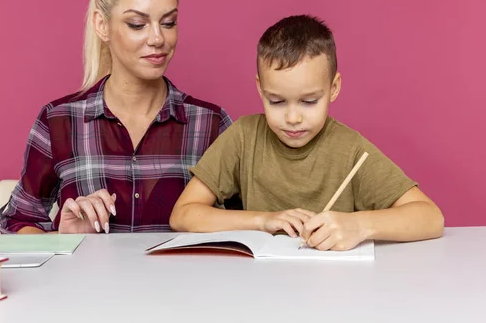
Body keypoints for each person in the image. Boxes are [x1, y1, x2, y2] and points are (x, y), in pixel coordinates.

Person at [0, 0, 232, 234]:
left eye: (168, 23)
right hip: (85, 279)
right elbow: (18, 222)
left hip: (185, 279)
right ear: (102, 25)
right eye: (137, 24)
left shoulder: (211, 123)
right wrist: (64, 238)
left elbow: (251, 229)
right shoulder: (59, 121)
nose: (158, 38)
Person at [170, 14, 444, 251]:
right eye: (276, 101)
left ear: (334, 87)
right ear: (260, 88)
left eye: (309, 101)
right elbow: (183, 215)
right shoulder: (243, 137)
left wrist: (359, 226)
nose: (292, 118)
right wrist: (262, 220)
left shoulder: (350, 149)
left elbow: (430, 218)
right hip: (257, 291)